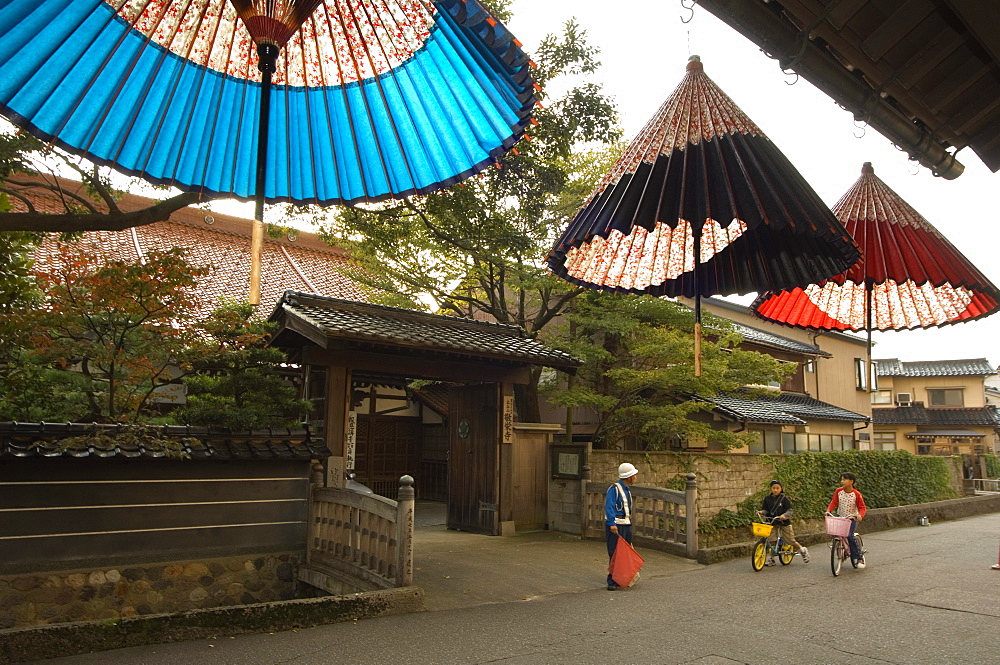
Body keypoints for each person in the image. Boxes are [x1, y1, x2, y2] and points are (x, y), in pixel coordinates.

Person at [605, 462, 638, 590]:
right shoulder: (614, 489)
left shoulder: (626, 490)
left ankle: (622, 577)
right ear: (629, 476)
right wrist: (611, 523)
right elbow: (609, 507)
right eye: (634, 475)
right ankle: (612, 580)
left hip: (626, 523)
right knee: (614, 552)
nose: (636, 477)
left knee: (625, 552)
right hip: (617, 524)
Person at [760, 480, 809, 565]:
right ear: (771, 489)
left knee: (790, 540)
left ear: (781, 489)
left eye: (777, 488)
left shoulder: (784, 499)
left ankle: (802, 550)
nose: (775, 490)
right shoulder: (767, 499)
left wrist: (784, 516)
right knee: (772, 540)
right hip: (772, 522)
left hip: (784, 522)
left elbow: (789, 510)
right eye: (773, 488)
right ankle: (772, 559)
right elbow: (766, 510)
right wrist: (761, 512)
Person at [827, 472, 867, 568]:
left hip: (851, 519)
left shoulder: (856, 494)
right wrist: (828, 510)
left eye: (844, 480)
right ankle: (841, 550)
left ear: (851, 481)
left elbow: (862, 507)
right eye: (842, 479)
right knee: (836, 534)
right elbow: (834, 502)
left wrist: (860, 515)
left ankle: (859, 557)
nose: (842, 481)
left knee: (850, 536)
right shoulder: (838, 491)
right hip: (840, 517)